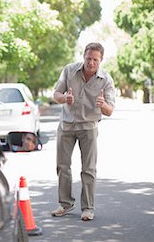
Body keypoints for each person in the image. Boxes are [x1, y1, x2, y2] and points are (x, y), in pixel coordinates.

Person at [51, 42, 115, 221]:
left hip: (88, 127)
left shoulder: (106, 80)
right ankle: (65, 204)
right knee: (62, 166)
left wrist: (103, 105)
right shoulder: (69, 71)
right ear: (83, 57)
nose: (91, 63)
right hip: (67, 125)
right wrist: (64, 98)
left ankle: (88, 208)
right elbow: (55, 94)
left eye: (95, 59)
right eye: (88, 58)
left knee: (89, 169)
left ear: (100, 60)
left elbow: (110, 110)